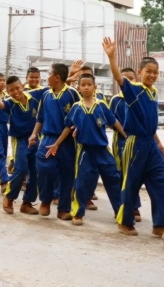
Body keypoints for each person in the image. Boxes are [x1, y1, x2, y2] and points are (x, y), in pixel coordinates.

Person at [102, 38, 164, 237]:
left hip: (151, 144)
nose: (152, 75)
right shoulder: (134, 90)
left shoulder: (153, 92)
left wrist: (158, 143)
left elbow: (150, 120)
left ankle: (159, 224)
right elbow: (118, 78)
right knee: (131, 182)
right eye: (148, 71)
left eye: (155, 72)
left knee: (161, 180)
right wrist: (112, 56)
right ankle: (125, 221)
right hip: (135, 143)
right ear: (140, 73)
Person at [45, 73, 124, 226]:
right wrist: (56, 143)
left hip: (103, 150)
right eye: (83, 85)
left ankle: (120, 214)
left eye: (89, 84)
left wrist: (125, 135)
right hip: (85, 152)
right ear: (79, 88)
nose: (86, 87)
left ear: (95, 87)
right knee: (81, 184)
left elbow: (114, 122)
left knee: (114, 180)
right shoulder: (76, 108)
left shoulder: (102, 105)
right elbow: (68, 127)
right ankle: (78, 214)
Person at [0, 76, 43, 215]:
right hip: (19, 139)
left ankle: (27, 203)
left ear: (23, 87)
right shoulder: (10, 103)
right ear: (8, 91)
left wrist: (70, 77)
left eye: (17, 88)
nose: (15, 92)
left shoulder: (36, 95)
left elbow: (54, 89)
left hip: (36, 138)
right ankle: (9, 196)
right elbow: (0, 104)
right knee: (21, 169)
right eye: (11, 90)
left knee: (37, 171)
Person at [29, 63, 82, 220]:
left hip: (66, 140)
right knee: (45, 169)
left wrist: (79, 128)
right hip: (48, 138)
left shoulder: (72, 94)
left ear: (57, 77)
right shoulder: (46, 95)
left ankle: (64, 208)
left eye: (49, 74)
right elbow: (40, 118)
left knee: (67, 174)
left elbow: (80, 115)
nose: (47, 78)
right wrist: (33, 134)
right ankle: (45, 201)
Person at [109, 67, 142, 223]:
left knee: (136, 173)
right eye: (125, 78)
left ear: (137, 79)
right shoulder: (115, 100)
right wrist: (125, 134)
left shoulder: (141, 96)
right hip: (121, 141)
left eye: (131, 77)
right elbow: (112, 121)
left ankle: (135, 206)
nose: (129, 81)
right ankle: (126, 206)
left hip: (139, 141)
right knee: (122, 173)